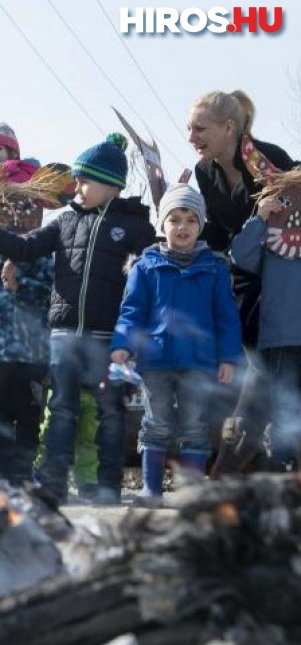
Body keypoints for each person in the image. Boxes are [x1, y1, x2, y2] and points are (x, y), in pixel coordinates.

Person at [0, 133, 156, 504]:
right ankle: (52, 483)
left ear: (112, 185)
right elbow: (25, 246)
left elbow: (148, 281)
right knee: (62, 409)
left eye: (85, 180)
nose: (77, 187)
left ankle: (108, 486)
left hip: (109, 339)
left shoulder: (134, 227)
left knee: (110, 413)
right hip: (64, 335)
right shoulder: (65, 222)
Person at [188, 90, 298, 474]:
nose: (191, 137)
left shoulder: (272, 161)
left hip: (282, 280)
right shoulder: (205, 172)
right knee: (256, 375)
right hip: (242, 273)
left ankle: (243, 464)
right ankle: (249, 463)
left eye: (200, 128)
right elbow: (218, 231)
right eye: (190, 128)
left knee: (269, 380)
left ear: (229, 128)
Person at [112, 184, 241, 501]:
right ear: (162, 224)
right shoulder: (145, 267)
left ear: (201, 225)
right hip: (155, 360)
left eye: (190, 219)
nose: (182, 227)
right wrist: (123, 343)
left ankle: (191, 494)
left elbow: (226, 317)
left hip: (200, 362)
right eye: (174, 219)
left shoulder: (214, 269)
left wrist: (228, 358)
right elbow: (132, 311)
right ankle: (151, 489)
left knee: (195, 426)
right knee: (155, 423)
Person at [0, 165, 57, 484]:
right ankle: (2, 475)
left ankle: (23, 474)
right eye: (8, 205)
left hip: (30, 354)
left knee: (29, 418)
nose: (16, 214)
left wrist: (23, 287)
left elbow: (53, 298)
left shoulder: (44, 255)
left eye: (25, 205)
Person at [230, 165, 301, 468]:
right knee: (285, 407)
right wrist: (260, 217)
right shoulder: (273, 246)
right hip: (281, 338)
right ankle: (281, 469)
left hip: (281, 336)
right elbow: (241, 255)